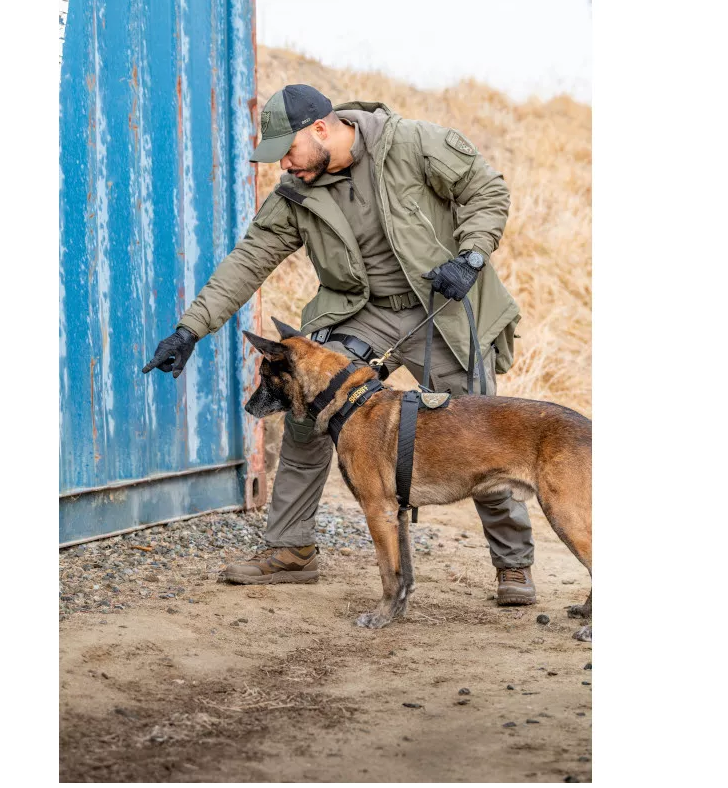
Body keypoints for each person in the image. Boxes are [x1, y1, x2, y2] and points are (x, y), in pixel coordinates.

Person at [143, 84, 536, 606]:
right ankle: (291, 549)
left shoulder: (414, 144)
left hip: (440, 307)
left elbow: (488, 192)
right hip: (361, 314)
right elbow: (249, 260)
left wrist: (471, 256)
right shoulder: (294, 193)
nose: (285, 164)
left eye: (289, 150)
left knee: (483, 427)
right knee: (309, 412)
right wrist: (191, 328)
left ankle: (513, 566)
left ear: (322, 129)